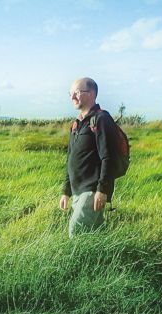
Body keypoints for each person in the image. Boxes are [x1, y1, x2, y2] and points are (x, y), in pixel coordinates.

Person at [59, 77, 116, 238]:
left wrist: (102, 190)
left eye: (77, 92)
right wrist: (66, 191)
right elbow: (70, 160)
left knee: (75, 231)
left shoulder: (101, 119)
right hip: (77, 191)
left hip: (92, 191)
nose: (72, 97)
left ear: (91, 94)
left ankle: (75, 264)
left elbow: (108, 157)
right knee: (96, 236)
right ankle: (108, 261)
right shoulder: (76, 124)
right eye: (71, 93)